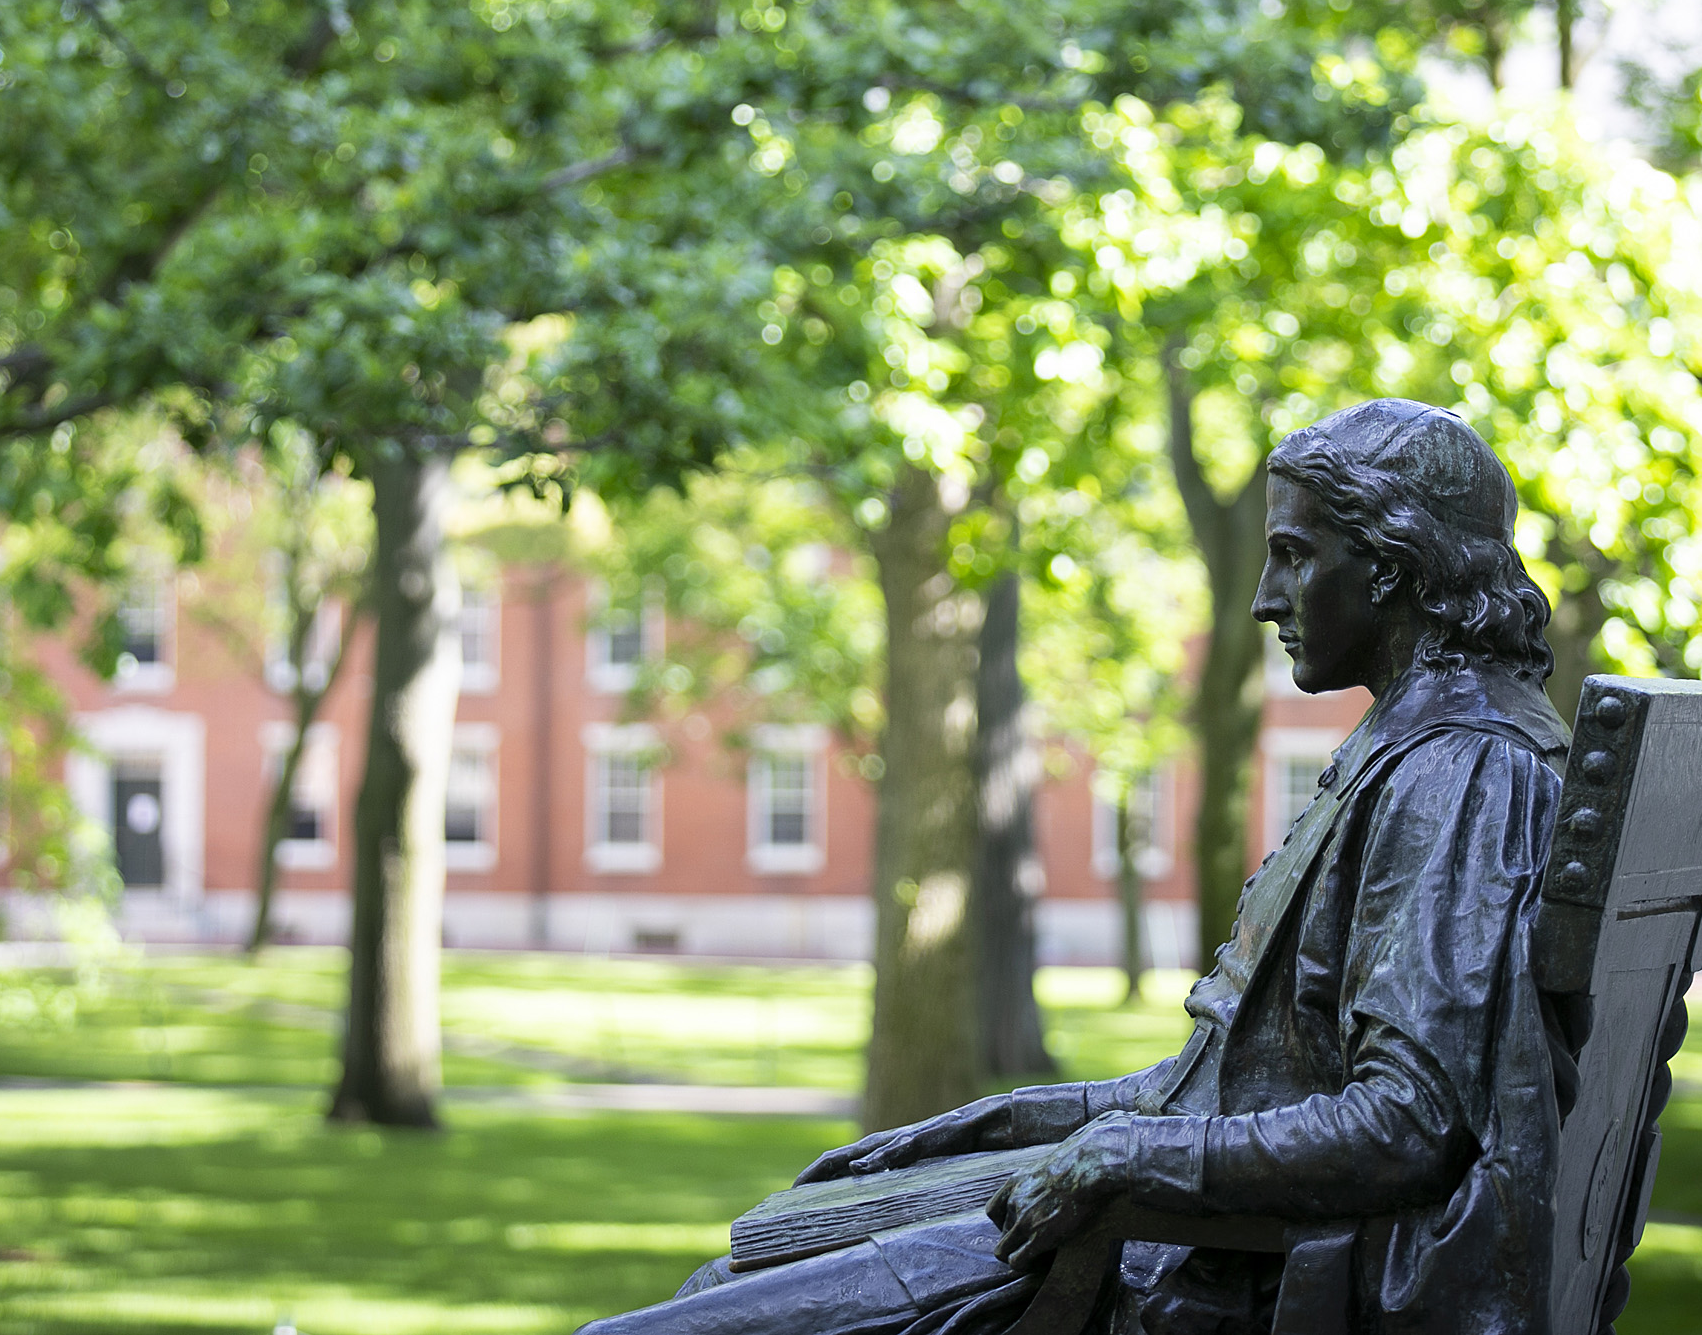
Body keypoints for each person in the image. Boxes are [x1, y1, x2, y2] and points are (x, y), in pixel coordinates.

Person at [581, 399, 1572, 1335]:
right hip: (1198, 1243)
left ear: (1391, 564)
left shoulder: (1460, 771)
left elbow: (1408, 1122)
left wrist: (1125, 1151)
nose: (1267, 597)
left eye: (1291, 555)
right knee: (771, 1242)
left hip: (1218, 1276)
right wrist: (1011, 1114)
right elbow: (1241, 1078)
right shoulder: (1420, 746)